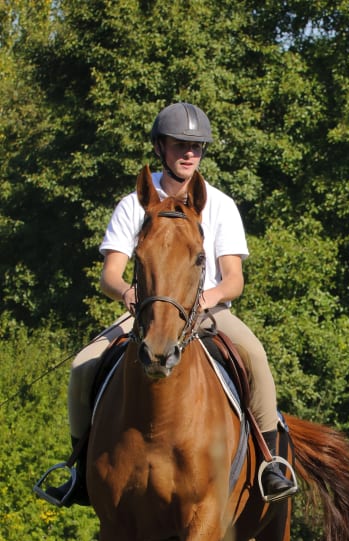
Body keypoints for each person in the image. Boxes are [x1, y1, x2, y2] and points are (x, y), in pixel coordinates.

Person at [37, 102, 297, 506]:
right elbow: (110, 273)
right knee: (83, 364)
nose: (189, 153)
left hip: (208, 311)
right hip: (145, 311)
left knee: (257, 357)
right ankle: (79, 469)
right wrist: (125, 292)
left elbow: (234, 280)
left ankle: (270, 462)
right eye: (180, 145)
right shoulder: (133, 204)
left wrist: (207, 299)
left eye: (196, 146)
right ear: (160, 147)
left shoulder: (221, 205)